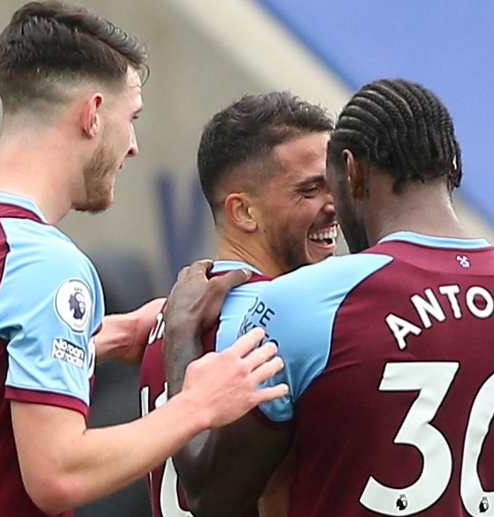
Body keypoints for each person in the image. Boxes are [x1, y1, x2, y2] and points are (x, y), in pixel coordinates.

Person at [0, 2, 287, 516]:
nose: (134, 145)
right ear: (93, 114)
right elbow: (58, 474)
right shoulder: (45, 264)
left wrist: (104, 339)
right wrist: (197, 405)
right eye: (132, 118)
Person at [163, 78, 494, 516]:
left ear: (353, 171)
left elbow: (212, 497)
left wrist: (181, 337)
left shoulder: (308, 302)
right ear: (452, 169)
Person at [139, 91, 337, 517]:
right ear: (244, 211)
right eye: (310, 190)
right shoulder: (280, 319)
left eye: (335, 184)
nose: (334, 206)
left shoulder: (175, 318)